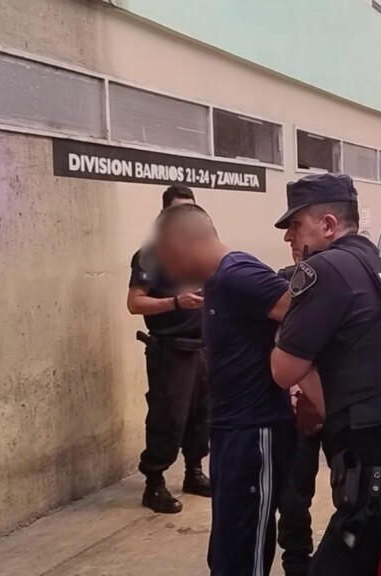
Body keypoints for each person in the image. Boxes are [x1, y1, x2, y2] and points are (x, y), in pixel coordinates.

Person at [270, 173, 381, 575]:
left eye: (296, 224)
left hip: (375, 471)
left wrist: (282, 333)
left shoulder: (325, 268)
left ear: (328, 225)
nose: (289, 236)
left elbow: (283, 369)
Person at [152, 203, 312, 576]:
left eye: (169, 258)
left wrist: (304, 385)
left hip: (255, 430)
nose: (170, 271)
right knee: (227, 551)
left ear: (184, 243)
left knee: (244, 549)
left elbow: (306, 316)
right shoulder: (216, 282)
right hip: (229, 430)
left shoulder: (238, 275)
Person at [126, 185, 210, 514]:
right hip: (170, 350)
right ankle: (154, 482)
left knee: (201, 417)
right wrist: (175, 302)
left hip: (204, 348)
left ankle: (194, 472)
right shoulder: (151, 255)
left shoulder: (202, 253)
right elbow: (135, 303)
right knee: (168, 418)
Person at [276, 263, 327, 576]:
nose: (292, 241)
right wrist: (300, 394)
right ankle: (296, 563)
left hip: (338, 405)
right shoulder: (283, 281)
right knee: (294, 495)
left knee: (352, 491)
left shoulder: (336, 284)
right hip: (296, 410)